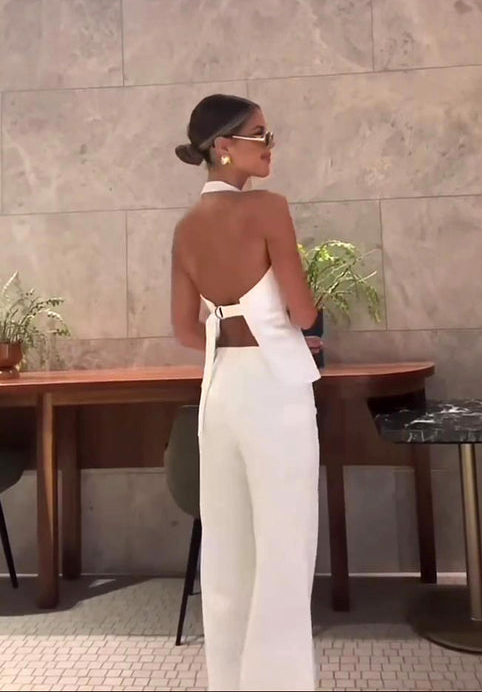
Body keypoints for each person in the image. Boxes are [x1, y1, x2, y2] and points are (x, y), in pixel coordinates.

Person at [171, 94, 321, 692]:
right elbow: (304, 312)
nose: (271, 144)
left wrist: (233, 327)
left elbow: (186, 331)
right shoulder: (268, 208)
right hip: (273, 392)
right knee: (283, 551)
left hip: (221, 393)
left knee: (228, 552)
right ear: (224, 147)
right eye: (261, 134)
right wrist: (286, 331)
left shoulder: (185, 229)